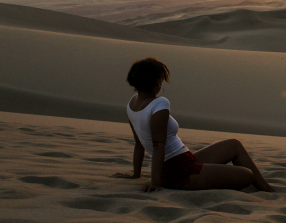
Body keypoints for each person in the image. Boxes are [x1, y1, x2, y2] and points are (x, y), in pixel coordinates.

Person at [112, 57, 275, 192]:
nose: (162, 81)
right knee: (246, 175)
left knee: (234, 145)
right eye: (161, 77)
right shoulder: (159, 103)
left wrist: (136, 174)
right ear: (155, 81)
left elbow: (139, 144)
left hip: (185, 160)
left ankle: (267, 189)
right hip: (178, 172)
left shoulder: (131, 104)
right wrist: (155, 183)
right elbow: (158, 146)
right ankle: (266, 190)